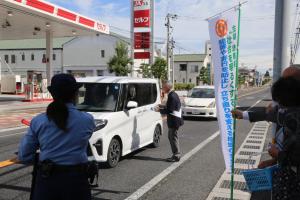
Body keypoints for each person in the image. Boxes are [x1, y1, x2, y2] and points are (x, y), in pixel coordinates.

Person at [18, 74, 95, 200]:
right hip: (77, 182)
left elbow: (24, 155)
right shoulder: (87, 120)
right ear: (75, 94)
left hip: (48, 181)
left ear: (53, 95)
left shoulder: (39, 121)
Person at [232, 65, 300, 168]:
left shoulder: (292, 114)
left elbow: (295, 158)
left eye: (287, 80)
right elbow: (270, 114)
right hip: (284, 174)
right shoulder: (286, 109)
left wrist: (277, 154)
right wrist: (274, 161)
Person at [155, 81, 183, 162]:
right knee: (172, 137)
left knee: (173, 137)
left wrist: (159, 110)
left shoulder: (172, 96)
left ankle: (176, 155)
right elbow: (171, 106)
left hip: (174, 121)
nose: (162, 88)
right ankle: (176, 154)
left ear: (167, 87)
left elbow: (170, 110)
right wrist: (162, 106)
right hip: (174, 120)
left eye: (163, 87)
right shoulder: (172, 94)